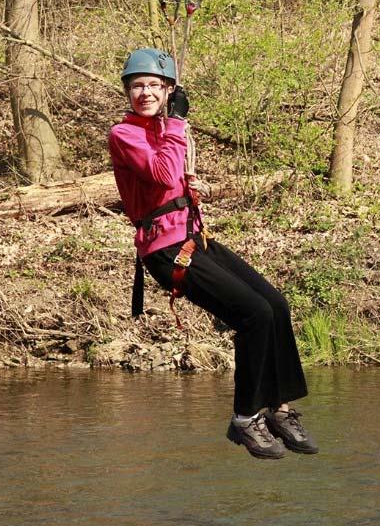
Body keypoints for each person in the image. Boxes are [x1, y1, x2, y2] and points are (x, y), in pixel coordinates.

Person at [108, 48, 318, 459]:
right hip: (165, 250)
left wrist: (189, 188)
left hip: (192, 237)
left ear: (168, 90)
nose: (145, 93)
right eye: (137, 87)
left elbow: (170, 180)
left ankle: (278, 408)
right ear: (128, 93)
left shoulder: (166, 129)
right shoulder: (125, 134)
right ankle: (244, 420)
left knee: (275, 305)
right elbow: (162, 173)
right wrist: (179, 124)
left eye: (154, 86)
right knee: (252, 314)